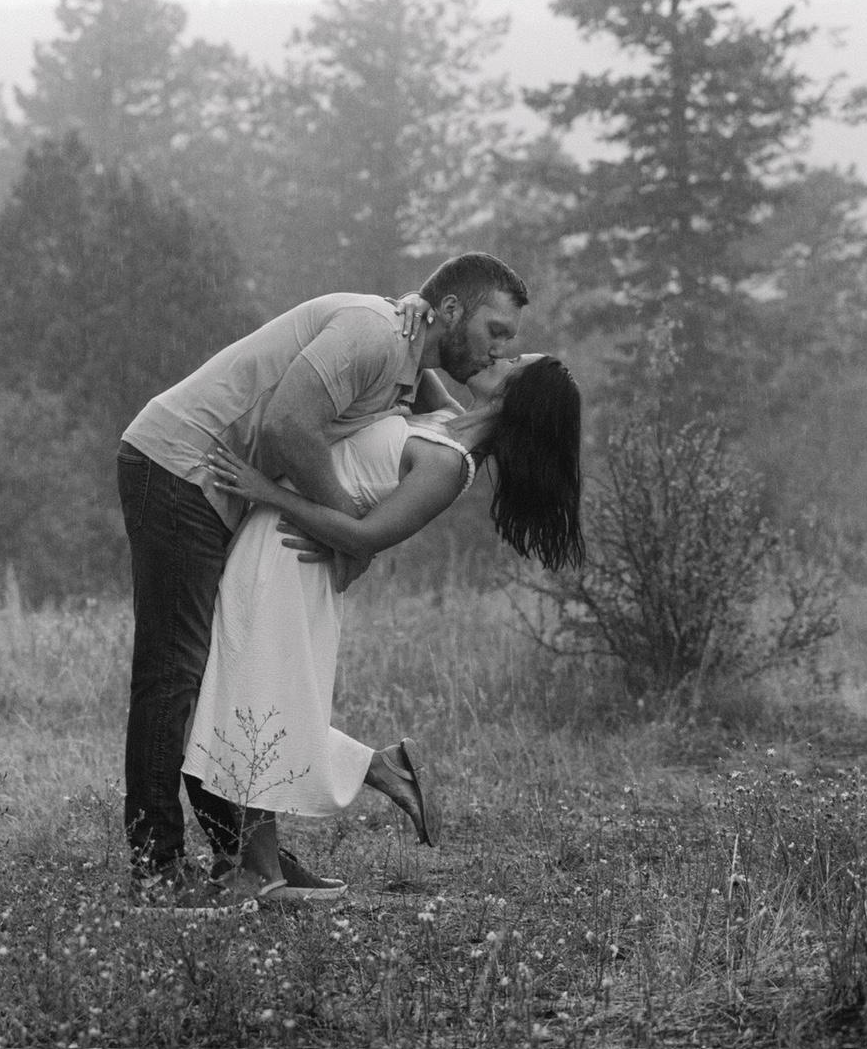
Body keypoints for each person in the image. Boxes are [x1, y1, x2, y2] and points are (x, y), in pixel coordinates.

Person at [117, 253, 529, 907]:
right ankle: (157, 870)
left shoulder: (406, 364)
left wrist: (364, 534)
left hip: (219, 493)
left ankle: (252, 861)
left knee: (217, 677)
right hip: (180, 469)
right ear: (450, 311)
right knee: (174, 676)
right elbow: (286, 428)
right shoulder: (373, 332)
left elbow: (452, 427)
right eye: (496, 331)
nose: (499, 348)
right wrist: (351, 528)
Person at [184, 351, 586, 903]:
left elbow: (368, 537)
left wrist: (266, 489)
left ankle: (263, 872)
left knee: (256, 702)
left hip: (287, 557)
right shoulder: (444, 415)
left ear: (521, 396)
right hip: (271, 542)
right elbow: (409, 348)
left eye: (514, 357)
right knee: (247, 698)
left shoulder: (451, 465)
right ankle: (362, 777)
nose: (497, 353)